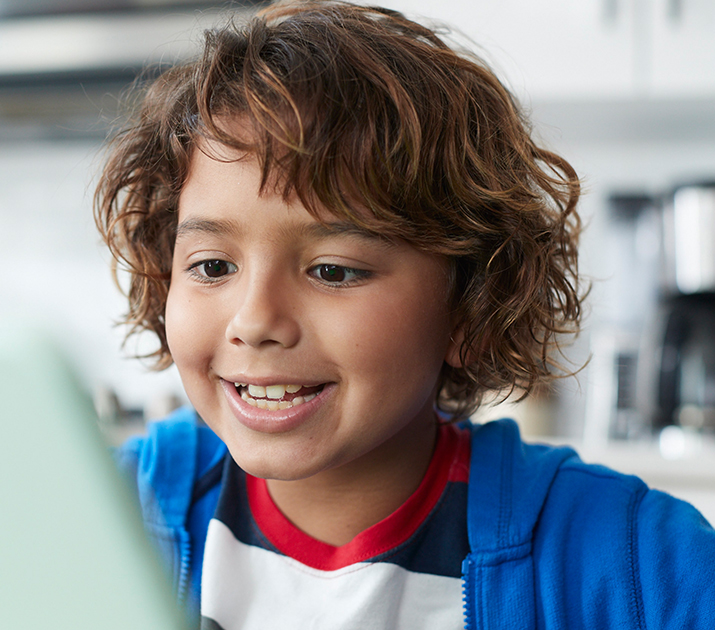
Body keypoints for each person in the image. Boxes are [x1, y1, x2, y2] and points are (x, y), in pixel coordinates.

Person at [95, 2, 715, 628]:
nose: (254, 321)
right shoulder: (99, 517)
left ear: (470, 304)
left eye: (333, 270)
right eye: (211, 266)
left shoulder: (636, 563)